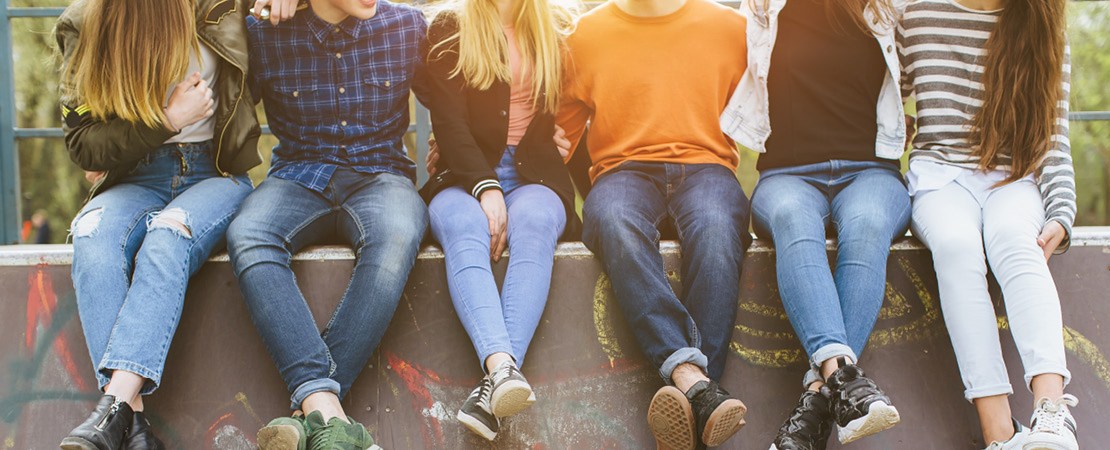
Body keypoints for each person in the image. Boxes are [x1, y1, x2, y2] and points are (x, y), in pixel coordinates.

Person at [54, 0, 260, 447]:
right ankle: (134, 426)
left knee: (169, 234)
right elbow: (83, 144)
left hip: (215, 173)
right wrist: (167, 121)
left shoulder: (221, 6)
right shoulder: (85, 21)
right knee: (91, 236)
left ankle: (113, 409)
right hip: (136, 175)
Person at [225, 0, 428, 447]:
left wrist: (527, 142)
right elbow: (212, 75)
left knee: (396, 234)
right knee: (249, 234)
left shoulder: (408, 26)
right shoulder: (263, 31)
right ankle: (331, 417)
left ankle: (310, 410)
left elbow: (464, 93)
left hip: (381, 175)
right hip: (299, 174)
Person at [557, 0, 751, 447]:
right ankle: (696, 385)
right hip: (623, 171)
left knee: (719, 230)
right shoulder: (585, 35)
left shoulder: (732, 28)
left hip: (708, 168)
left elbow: (774, 110)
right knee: (613, 222)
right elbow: (556, 136)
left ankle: (692, 393)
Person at [720, 0, 910, 448]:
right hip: (787, 175)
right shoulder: (761, 9)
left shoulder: (887, 9)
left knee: (866, 226)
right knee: (791, 218)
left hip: (872, 171)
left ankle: (819, 395)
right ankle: (843, 381)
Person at [901, 1, 1079, 449]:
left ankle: (1052, 415)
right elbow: (877, 94)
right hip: (940, 176)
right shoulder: (916, 14)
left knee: (1015, 242)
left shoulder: (1042, 25)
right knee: (958, 249)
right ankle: (999, 433)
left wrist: (1061, 211)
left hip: (1014, 177)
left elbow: (1053, 138)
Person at [420, 0, 580, 441]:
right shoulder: (450, 27)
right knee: (463, 227)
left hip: (534, 175)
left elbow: (590, 96)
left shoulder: (557, 25)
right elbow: (449, 125)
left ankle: (495, 386)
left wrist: (566, 137)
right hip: (463, 170)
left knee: (535, 225)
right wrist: (485, 187)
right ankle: (502, 371)